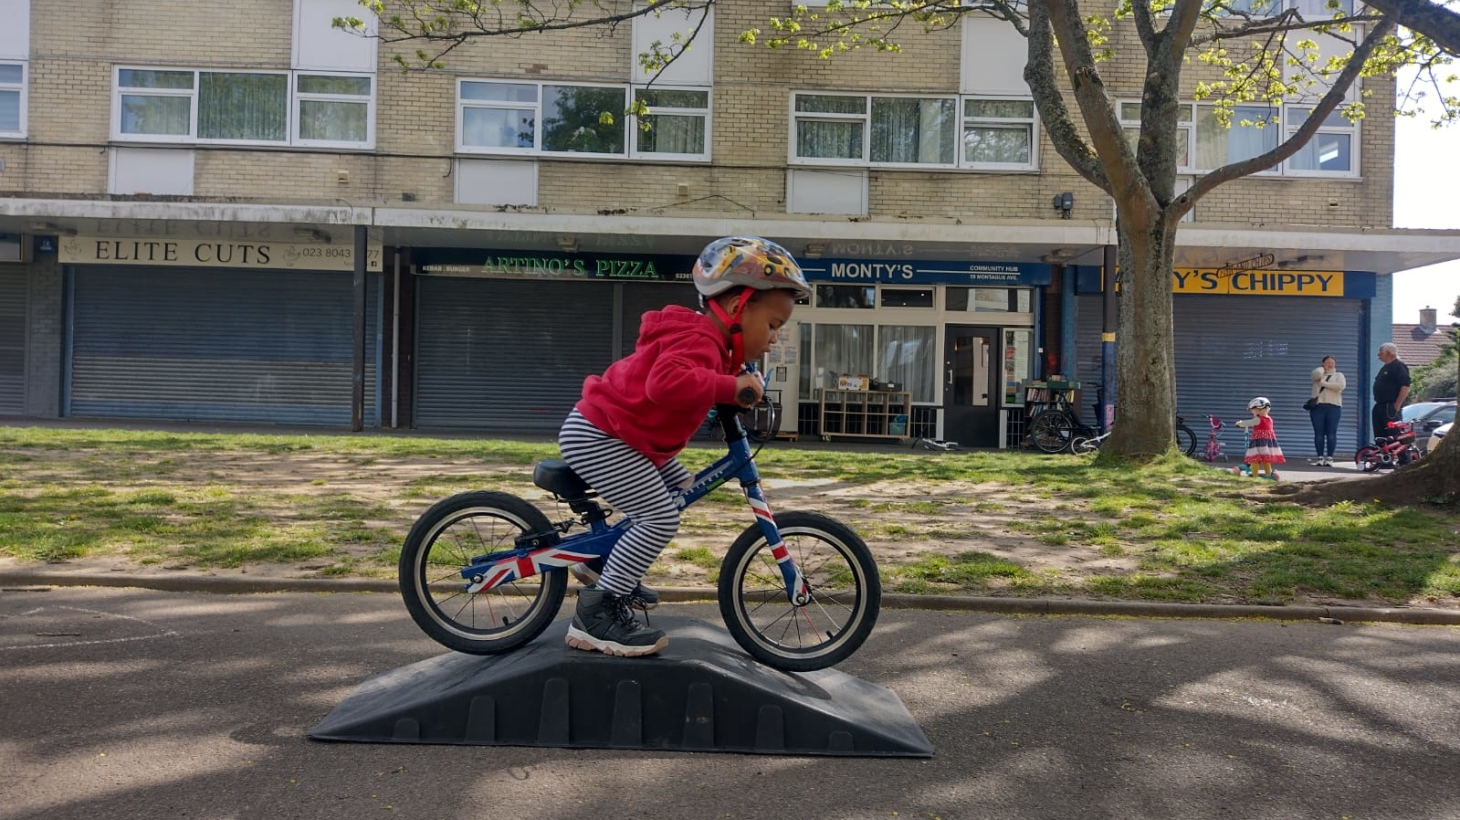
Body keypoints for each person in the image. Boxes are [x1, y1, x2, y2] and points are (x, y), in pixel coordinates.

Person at [556, 236, 810, 658]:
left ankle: (607, 562)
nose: (772, 340)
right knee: (659, 516)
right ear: (736, 310)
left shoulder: (717, 348)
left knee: (680, 483)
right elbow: (666, 383)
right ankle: (595, 615)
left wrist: (734, 388)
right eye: (772, 327)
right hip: (600, 435)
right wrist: (730, 387)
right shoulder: (698, 340)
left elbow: (702, 384)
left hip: (626, 436)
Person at [1307, 356, 1346, 466]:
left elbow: (1340, 386)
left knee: (1331, 433)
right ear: (1323, 363)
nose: (1330, 364)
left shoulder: (1339, 375)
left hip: (1334, 407)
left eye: (1333, 362)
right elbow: (1316, 373)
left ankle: (1329, 458)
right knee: (1318, 433)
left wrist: (1323, 383)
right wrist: (1322, 369)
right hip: (1318, 407)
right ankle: (1320, 457)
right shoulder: (1317, 375)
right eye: (1328, 362)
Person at [1236, 396, 1285, 479]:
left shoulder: (1258, 419)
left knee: (1254, 459)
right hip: (1267, 443)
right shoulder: (1269, 419)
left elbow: (1249, 422)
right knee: (1266, 459)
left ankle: (1255, 476)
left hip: (1258, 443)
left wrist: (1240, 423)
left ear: (1259, 409)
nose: (1252, 412)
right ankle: (1268, 474)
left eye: (1252, 410)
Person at [1371, 342, 1411, 444]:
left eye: (1381, 353)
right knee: (1380, 434)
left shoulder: (1399, 366)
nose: (1378, 355)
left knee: (1394, 433)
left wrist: (1397, 404)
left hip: (1390, 406)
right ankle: (1383, 456)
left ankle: (1403, 458)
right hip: (1380, 405)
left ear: (1388, 353)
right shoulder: (1385, 367)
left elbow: (1405, 386)